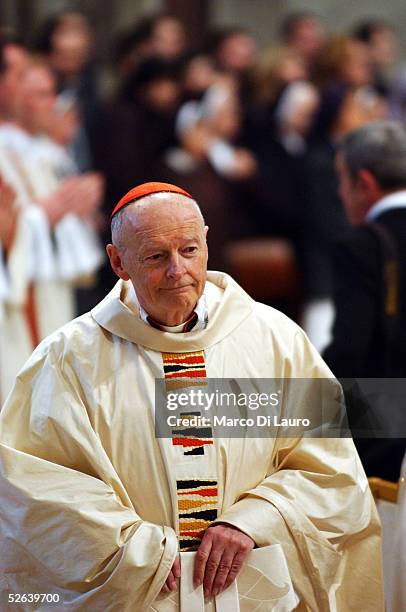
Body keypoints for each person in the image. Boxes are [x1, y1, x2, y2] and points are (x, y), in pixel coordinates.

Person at [0, 182, 383, 610]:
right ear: (117, 261)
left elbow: (328, 465)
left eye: (189, 250)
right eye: (155, 256)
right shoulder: (69, 359)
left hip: (255, 584)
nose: (177, 271)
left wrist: (254, 520)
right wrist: (138, 549)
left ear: (206, 242)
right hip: (141, 591)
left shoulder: (276, 341)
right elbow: (35, 487)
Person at [323, 120, 406, 481]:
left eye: (341, 179)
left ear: (365, 183)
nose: (339, 192)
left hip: (388, 429)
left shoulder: (362, 246)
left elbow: (351, 348)